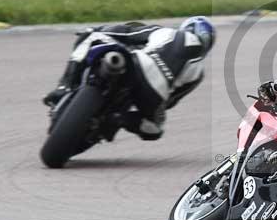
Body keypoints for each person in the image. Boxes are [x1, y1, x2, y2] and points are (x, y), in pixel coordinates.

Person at [43, 16, 215, 140]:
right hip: (155, 95)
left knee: (91, 35)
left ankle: (64, 87)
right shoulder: (198, 73)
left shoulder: (166, 32)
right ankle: (118, 118)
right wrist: (150, 111)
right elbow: (172, 100)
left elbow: (127, 33)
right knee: (155, 130)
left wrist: (99, 30)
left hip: (138, 65)